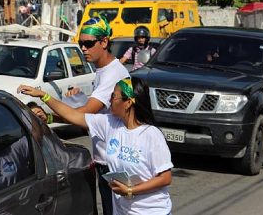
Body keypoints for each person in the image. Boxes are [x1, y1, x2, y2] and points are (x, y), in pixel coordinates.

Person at [17, 77, 173, 215]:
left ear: (128, 103)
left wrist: (131, 190)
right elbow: (73, 115)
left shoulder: (151, 135)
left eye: (114, 96)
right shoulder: (109, 123)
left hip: (152, 211)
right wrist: (44, 96)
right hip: (123, 210)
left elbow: (165, 178)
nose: (109, 100)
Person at [24, 15, 130, 215]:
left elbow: (83, 115)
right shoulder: (102, 71)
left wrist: (45, 99)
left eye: (88, 44)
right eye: (80, 43)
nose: (83, 49)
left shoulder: (113, 74)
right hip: (106, 159)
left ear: (104, 42)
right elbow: (91, 115)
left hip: (114, 162)